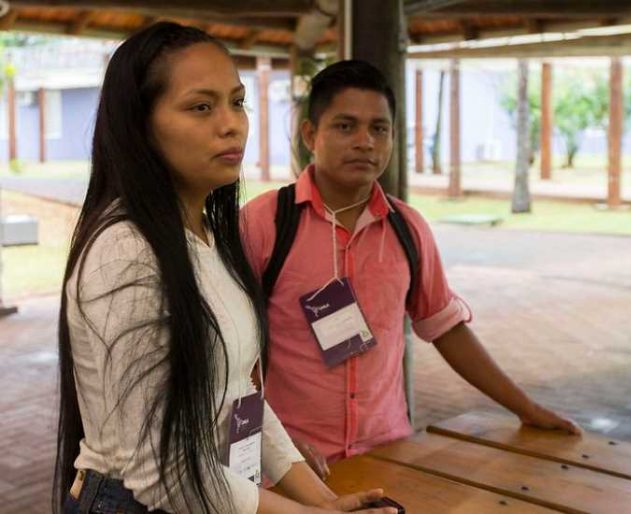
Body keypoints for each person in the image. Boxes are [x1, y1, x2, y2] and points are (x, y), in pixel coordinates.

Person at [53, 23, 396, 514]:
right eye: (201, 107)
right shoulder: (124, 252)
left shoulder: (209, 234)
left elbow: (241, 396)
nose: (232, 124)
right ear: (139, 125)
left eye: (237, 102)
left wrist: (327, 502)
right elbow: (163, 472)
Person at [240, 59, 581, 479]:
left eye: (379, 128)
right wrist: (272, 445)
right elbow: (225, 353)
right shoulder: (264, 224)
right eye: (345, 126)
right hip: (292, 469)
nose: (365, 142)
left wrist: (525, 408)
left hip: (389, 455)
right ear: (311, 135)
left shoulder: (408, 229)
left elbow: (446, 328)